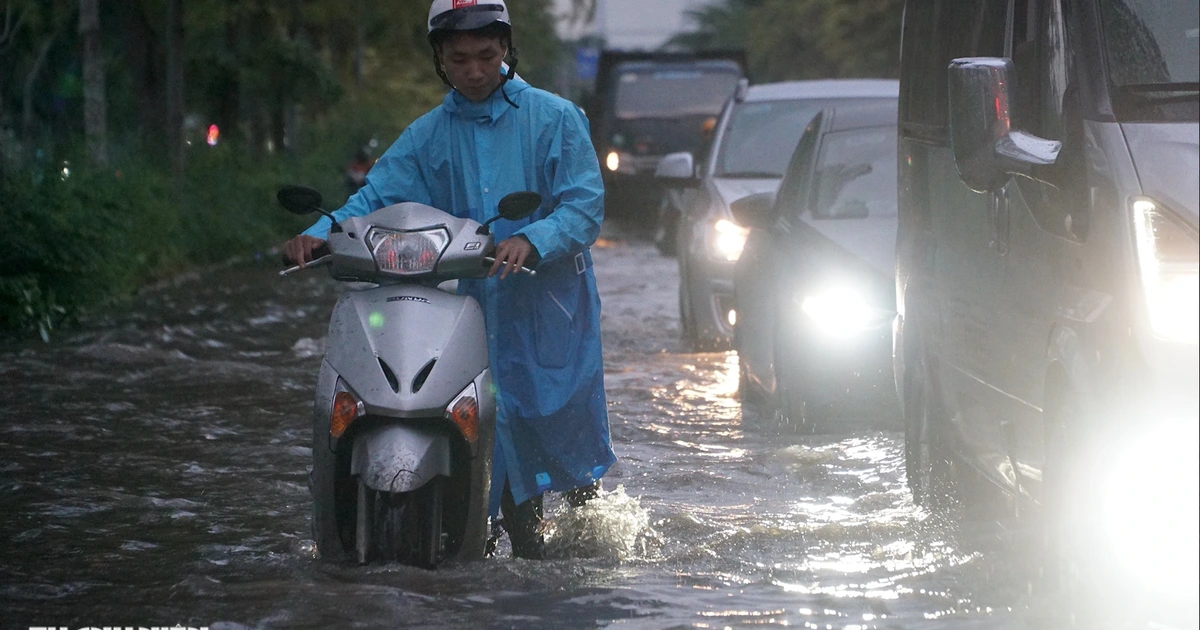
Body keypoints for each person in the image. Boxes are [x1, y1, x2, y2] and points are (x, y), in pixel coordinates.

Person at [280, 0, 615, 560]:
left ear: (506, 49)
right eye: (460, 59)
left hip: (547, 307)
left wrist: (532, 238)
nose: (476, 71)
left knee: (563, 442)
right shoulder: (427, 135)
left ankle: (583, 560)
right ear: (440, 59)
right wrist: (320, 231)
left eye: (487, 56)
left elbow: (585, 206)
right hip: (472, 306)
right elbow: (376, 195)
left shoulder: (555, 118)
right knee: (482, 433)